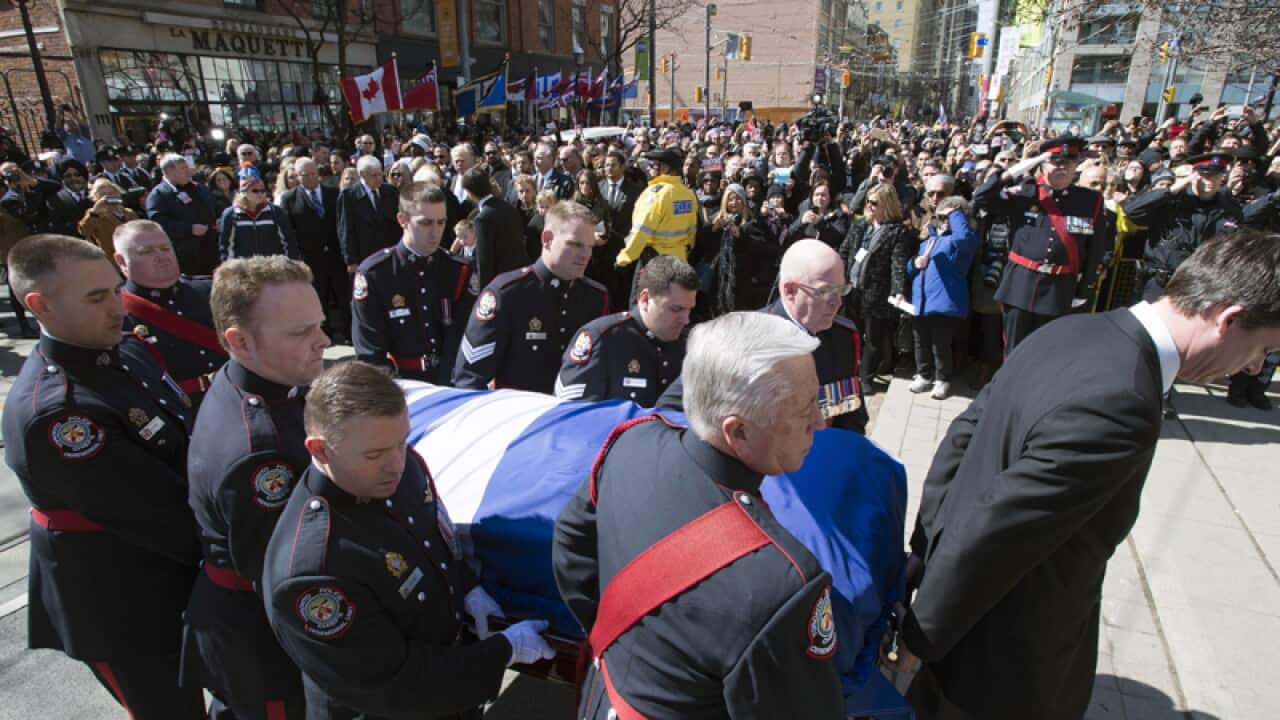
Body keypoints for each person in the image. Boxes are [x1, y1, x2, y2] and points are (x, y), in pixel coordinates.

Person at [897, 230, 1280, 720]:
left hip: (962, 625)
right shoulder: (1124, 400)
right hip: (1001, 666)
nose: (1254, 366)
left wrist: (925, 556)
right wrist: (921, 637)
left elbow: (962, 438)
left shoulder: (1073, 329)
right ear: (1229, 320)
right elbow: (1001, 528)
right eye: (1263, 349)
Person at [553, 311, 845, 719]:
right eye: (803, 410)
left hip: (602, 697)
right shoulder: (782, 584)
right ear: (738, 432)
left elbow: (570, 544)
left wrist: (629, 644)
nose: (820, 421)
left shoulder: (631, 443)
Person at [262, 361, 556, 718]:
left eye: (401, 442)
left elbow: (434, 541)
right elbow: (396, 685)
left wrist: (467, 588)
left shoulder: (400, 470)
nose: (395, 464)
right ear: (321, 451)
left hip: (447, 690)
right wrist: (503, 651)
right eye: (374, 455)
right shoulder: (315, 571)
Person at [2, 234, 204, 717]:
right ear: (40, 306)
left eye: (116, 289)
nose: (118, 306)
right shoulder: (60, 415)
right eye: (96, 298)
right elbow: (158, 512)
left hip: (171, 579)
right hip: (119, 606)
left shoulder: (125, 351)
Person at [182, 256, 327, 720]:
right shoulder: (259, 450)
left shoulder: (267, 384)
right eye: (300, 332)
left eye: (320, 325)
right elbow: (285, 571)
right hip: (262, 642)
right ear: (240, 342)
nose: (324, 341)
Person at [453, 201, 609, 393]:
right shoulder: (507, 293)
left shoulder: (595, 297)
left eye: (590, 246)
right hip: (518, 408)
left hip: (572, 410)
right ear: (547, 239)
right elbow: (469, 377)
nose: (585, 255)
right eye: (575, 244)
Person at [975, 136, 1113, 352]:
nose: (1062, 166)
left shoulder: (1090, 201)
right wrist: (1015, 171)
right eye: (1055, 161)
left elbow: (1095, 249)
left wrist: (1084, 289)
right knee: (1015, 351)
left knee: (1048, 352)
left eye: (1069, 161)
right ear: (1043, 163)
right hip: (1020, 285)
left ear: (1077, 165)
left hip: (1059, 289)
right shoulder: (1026, 192)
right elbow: (982, 197)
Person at [353, 184, 475, 384]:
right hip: (399, 384)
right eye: (425, 223)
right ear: (403, 220)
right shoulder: (376, 274)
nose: (435, 232)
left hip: (451, 381)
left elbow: (464, 337)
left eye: (441, 222)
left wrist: (449, 385)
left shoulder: (458, 270)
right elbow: (370, 352)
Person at [115, 220, 228, 409]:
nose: (161, 257)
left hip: (237, 399)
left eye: (165, 248)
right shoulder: (116, 312)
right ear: (121, 261)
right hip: (181, 413)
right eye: (146, 252)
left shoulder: (211, 290)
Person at [554, 254, 695, 406]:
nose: (685, 320)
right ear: (645, 299)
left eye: (689, 310)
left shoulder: (691, 346)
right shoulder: (604, 340)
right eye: (676, 309)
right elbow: (571, 411)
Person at [841, 183, 913, 393]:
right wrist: (840, 276)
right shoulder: (860, 226)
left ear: (886, 205)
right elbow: (845, 251)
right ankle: (851, 372)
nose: (869, 206)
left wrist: (898, 291)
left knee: (874, 338)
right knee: (852, 334)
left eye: (874, 203)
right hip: (852, 288)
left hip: (877, 293)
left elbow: (897, 264)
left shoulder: (897, 232)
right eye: (868, 202)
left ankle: (866, 377)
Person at [905, 196, 978, 400]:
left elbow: (964, 239)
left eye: (949, 217)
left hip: (944, 301)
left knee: (941, 344)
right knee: (920, 341)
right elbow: (912, 270)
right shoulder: (930, 239)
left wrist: (955, 213)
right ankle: (924, 375)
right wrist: (914, 263)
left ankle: (942, 379)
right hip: (921, 300)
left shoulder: (962, 239)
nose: (945, 221)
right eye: (942, 217)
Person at [280, 157, 350, 342]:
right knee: (318, 298)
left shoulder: (333, 193)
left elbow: (343, 224)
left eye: (313, 174)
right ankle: (324, 335)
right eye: (305, 175)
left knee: (343, 296)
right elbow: (290, 232)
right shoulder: (289, 199)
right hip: (311, 258)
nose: (311, 178)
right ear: (297, 176)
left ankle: (349, 333)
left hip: (336, 255)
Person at [615, 147, 698, 279]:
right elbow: (691, 231)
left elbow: (641, 231)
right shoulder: (687, 193)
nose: (648, 168)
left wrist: (623, 259)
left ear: (665, 168)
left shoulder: (655, 194)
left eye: (652, 165)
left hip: (655, 261)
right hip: (679, 260)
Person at [147, 152, 219, 275]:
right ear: (169, 171)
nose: (188, 172)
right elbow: (159, 224)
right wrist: (189, 229)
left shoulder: (198, 188)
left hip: (212, 248)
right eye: (183, 168)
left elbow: (215, 206)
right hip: (187, 255)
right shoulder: (159, 195)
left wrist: (218, 219)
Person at [464, 166, 529, 288]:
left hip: (500, 285)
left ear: (469, 192)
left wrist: (484, 292)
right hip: (520, 279)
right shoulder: (508, 207)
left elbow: (484, 262)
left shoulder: (482, 219)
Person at [219, 164, 299, 261]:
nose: (260, 193)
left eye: (262, 190)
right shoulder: (230, 214)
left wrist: (290, 264)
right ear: (244, 192)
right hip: (244, 268)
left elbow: (288, 242)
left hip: (272, 266)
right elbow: (226, 247)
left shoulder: (276, 212)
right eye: (255, 191)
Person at [337, 155, 401, 273]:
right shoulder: (349, 196)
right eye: (374, 175)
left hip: (390, 253)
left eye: (380, 174)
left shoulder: (391, 191)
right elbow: (345, 230)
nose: (379, 179)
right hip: (365, 256)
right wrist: (351, 260)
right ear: (362, 174)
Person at [78, 178, 138, 259]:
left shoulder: (129, 212)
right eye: (103, 194)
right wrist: (94, 211)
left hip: (133, 254)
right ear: (96, 198)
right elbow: (84, 231)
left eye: (112, 192)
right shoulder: (95, 215)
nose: (109, 196)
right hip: (111, 258)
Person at [46, 158, 93, 237]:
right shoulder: (55, 200)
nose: (73, 178)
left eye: (77, 174)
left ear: (84, 176)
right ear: (63, 179)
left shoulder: (95, 194)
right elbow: (57, 228)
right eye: (68, 176)